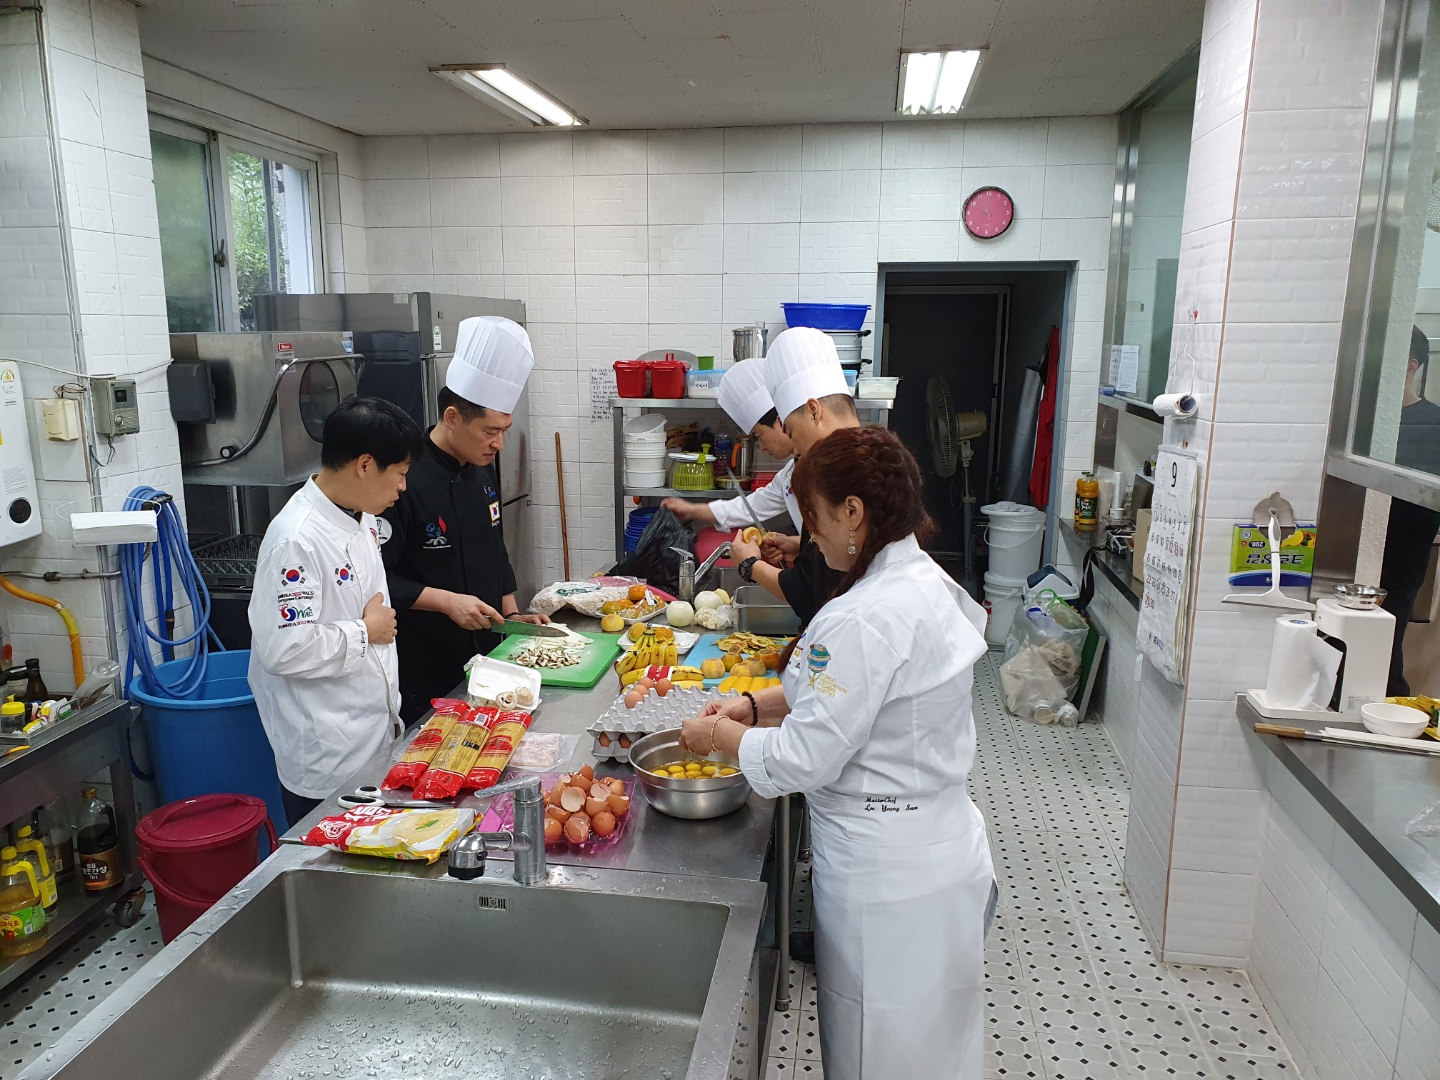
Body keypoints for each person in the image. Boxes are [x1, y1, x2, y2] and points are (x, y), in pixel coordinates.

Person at [680, 425, 995, 1079]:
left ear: (853, 512)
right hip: (939, 852)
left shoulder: (859, 616)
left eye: (815, 518)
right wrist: (755, 707)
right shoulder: (920, 579)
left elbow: (802, 758)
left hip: (885, 877)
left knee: (875, 1050)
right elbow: (858, 695)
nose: (811, 538)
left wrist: (721, 738)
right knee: (934, 1047)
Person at [248, 397, 427, 827]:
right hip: (327, 754)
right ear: (365, 465)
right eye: (400, 473)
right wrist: (366, 631)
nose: (403, 487)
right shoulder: (296, 539)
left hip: (371, 736)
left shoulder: (359, 516)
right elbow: (284, 649)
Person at [382, 316, 551, 723]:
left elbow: (494, 544)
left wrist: (511, 614)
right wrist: (446, 602)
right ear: (453, 417)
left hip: (489, 656)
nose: (499, 444)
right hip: (429, 664)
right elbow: (379, 578)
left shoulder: (480, 467)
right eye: (490, 431)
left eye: (505, 430)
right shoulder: (403, 480)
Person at [727, 327, 859, 627]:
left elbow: (814, 591)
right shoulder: (858, 460)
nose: (795, 448)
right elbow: (848, 552)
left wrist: (750, 565)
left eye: (791, 431)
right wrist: (801, 546)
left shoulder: (844, 475)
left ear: (814, 410)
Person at [660, 356, 803, 536]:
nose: (762, 447)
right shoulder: (789, 474)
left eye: (759, 436)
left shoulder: (823, 466)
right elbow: (750, 507)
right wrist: (691, 510)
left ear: (780, 422)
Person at [1381, 325, 1440, 694]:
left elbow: (1426, 504)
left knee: (1383, 662)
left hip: (1400, 564)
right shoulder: (1364, 422)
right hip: (1344, 556)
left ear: (1410, 365)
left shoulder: (1434, 424)